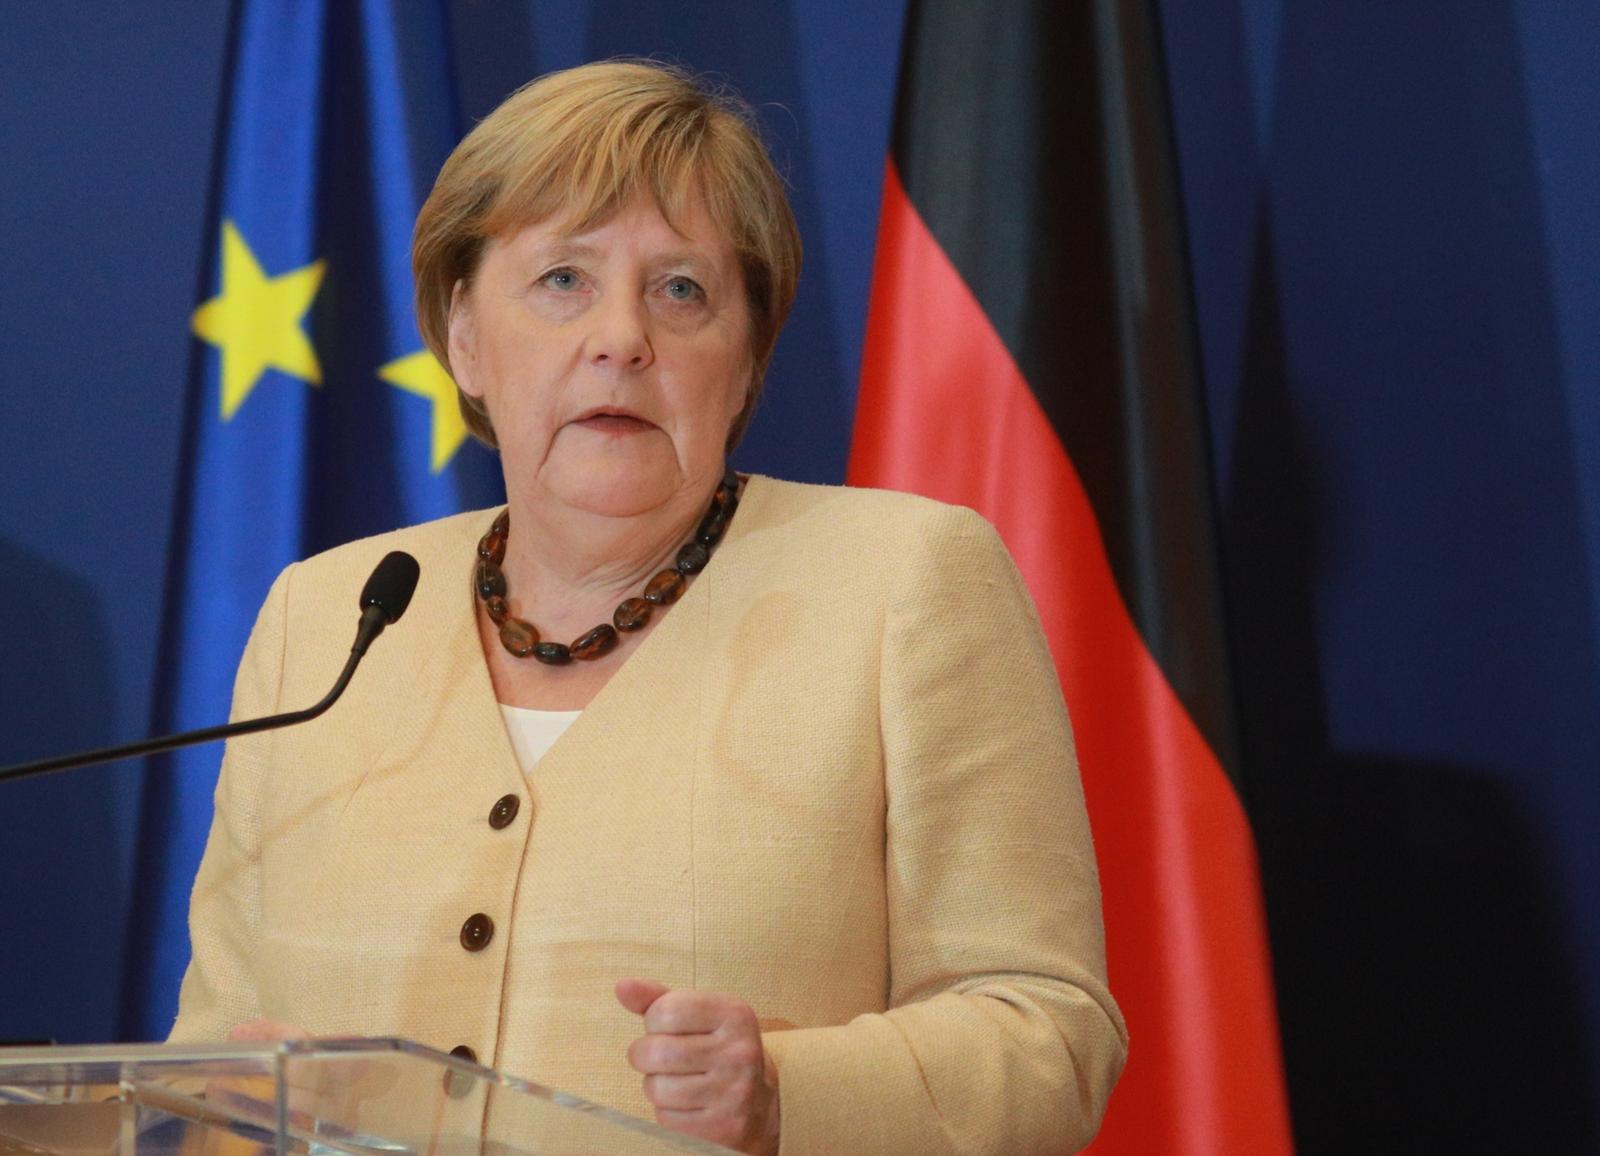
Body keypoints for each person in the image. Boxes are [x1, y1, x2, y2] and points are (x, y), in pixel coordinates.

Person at [169, 59, 1127, 1155]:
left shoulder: (906, 583)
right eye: (563, 280)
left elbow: (1046, 1030)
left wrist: (785, 1092)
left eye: (681, 290)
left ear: (747, 355)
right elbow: (213, 1053)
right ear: (465, 336)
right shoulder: (325, 616)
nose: (622, 336)